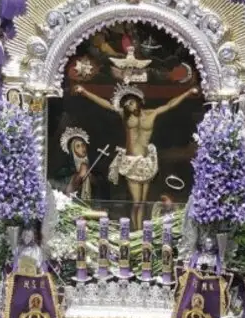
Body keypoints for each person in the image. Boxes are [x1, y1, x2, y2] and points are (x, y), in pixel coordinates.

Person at [74, 84, 198, 229]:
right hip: (131, 161)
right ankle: (136, 230)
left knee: (143, 201)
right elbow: (106, 104)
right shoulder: (125, 116)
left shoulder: (152, 113)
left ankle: (140, 231)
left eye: (131, 102)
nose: (129, 106)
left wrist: (188, 92)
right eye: (126, 104)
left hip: (146, 162)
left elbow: (170, 105)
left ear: (139, 101)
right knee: (136, 201)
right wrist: (85, 92)